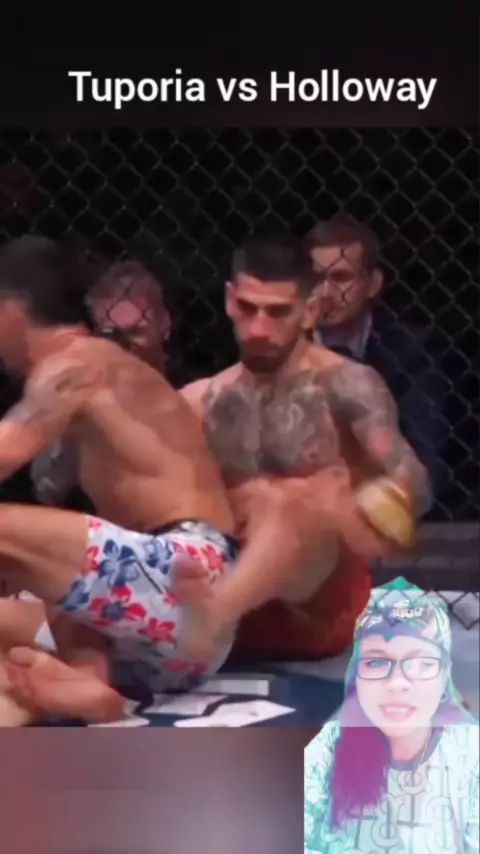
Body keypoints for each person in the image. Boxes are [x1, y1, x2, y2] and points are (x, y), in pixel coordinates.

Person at [0, 233, 243, 724]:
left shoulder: (80, 362)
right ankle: (86, 684)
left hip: (190, 578)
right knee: (45, 570)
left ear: (10, 312)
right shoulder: (98, 374)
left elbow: (5, 452)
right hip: (152, 634)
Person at [178, 235, 433, 663]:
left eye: (278, 312)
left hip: (319, 607)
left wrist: (367, 506)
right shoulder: (199, 400)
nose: (259, 329)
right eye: (248, 309)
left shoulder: (345, 385)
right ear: (229, 300)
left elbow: (413, 479)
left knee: (292, 499)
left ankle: (210, 618)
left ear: (310, 309)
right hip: (234, 589)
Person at [304, 578, 479, 853]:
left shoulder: (469, 758)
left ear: (444, 676)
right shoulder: (325, 752)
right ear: (356, 676)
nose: (397, 682)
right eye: (376, 662)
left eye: (421, 663)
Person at [305, 215, 449, 500]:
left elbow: (427, 457)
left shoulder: (410, 351)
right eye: (316, 278)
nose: (326, 293)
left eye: (341, 278)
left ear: (373, 283)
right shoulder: (281, 345)